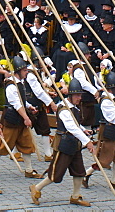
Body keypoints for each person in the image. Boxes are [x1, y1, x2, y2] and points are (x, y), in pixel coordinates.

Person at [30, 78, 95, 207]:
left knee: (79, 171)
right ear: (70, 95)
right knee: (56, 174)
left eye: (80, 95)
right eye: (77, 95)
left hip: (74, 145)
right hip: (64, 145)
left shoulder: (74, 108)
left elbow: (76, 124)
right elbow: (71, 127)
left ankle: (75, 196)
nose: (79, 98)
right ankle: (36, 188)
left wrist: (83, 130)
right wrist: (87, 142)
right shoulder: (64, 109)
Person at [0, 56, 41, 178]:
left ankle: (29, 170)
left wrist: (29, 107)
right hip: (12, 119)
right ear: (18, 71)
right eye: (25, 70)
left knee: (26, 143)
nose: (27, 72)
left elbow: (22, 100)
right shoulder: (11, 85)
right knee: (4, 145)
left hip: (20, 118)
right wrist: (26, 117)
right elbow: (16, 104)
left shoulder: (20, 83)